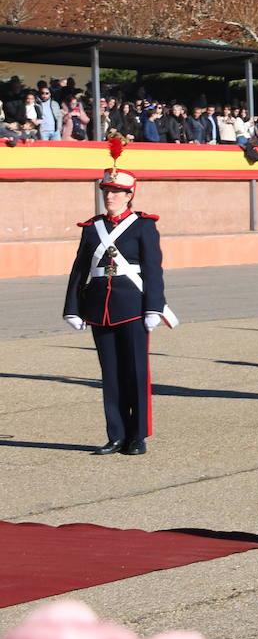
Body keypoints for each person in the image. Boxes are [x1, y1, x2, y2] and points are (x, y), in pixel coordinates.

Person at [62, 166, 174, 455]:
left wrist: (153, 307)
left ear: (129, 194)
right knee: (110, 375)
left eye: (115, 191)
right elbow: (79, 270)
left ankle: (137, 436)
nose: (109, 196)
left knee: (136, 372)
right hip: (100, 308)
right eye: (106, 191)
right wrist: (73, 308)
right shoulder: (91, 228)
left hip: (133, 307)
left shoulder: (143, 225)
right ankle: (116, 434)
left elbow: (153, 269)